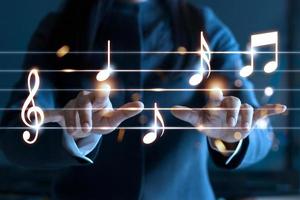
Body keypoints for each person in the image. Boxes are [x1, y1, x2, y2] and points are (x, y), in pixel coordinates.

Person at [0, 0, 286, 199]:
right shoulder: (59, 28)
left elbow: (259, 129)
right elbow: (15, 136)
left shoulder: (204, 27)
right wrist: (72, 135)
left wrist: (233, 136)